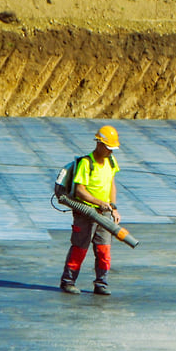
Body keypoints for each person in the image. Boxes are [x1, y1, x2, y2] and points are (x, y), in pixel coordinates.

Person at [60, 125, 121, 296]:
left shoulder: (111, 162)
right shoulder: (86, 164)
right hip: (85, 214)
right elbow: (80, 190)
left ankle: (101, 283)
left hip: (105, 214)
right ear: (100, 144)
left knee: (104, 250)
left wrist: (113, 207)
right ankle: (68, 281)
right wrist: (98, 202)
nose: (111, 152)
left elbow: (111, 185)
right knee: (79, 248)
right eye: (108, 148)